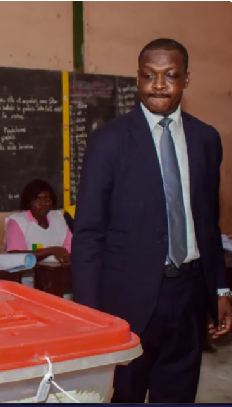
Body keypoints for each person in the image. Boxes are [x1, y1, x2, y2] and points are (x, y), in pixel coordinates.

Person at [71, 38, 232, 403]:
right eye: (149, 75)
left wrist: (219, 290)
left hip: (189, 294)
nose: (159, 84)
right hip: (127, 300)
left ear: (186, 80)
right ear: (138, 78)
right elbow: (89, 234)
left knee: (178, 393)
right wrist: (90, 314)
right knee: (123, 393)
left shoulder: (205, 139)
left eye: (170, 75)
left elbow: (209, 224)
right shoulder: (108, 141)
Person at [4, 179, 71, 264]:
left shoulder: (58, 219)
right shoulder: (17, 222)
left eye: (47, 199)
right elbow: (14, 255)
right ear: (29, 202)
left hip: (57, 274)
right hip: (27, 276)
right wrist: (51, 251)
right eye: (38, 199)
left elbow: (68, 251)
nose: (42, 203)